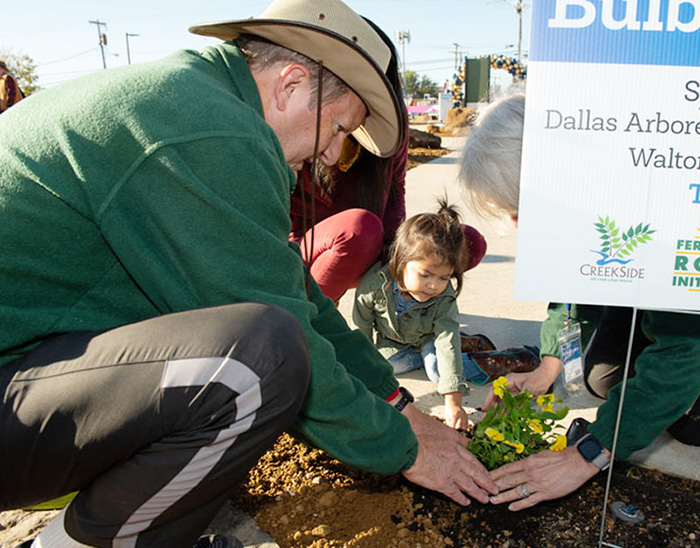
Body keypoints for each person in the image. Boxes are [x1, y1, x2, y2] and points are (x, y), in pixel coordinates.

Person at [0, 1, 497, 546]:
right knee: (259, 357)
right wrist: (406, 448)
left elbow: (296, 291)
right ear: (290, 84)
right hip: (14, 406)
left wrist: (394, 402)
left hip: (28, 382)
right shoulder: (208, 131)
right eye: (337, 129)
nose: (332, 155)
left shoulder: (196, 97)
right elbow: (284, 327)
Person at [458, 86, 700, 511]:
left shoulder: (669, 201)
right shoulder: (598, 188)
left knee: (687, 422)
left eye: (518, 209)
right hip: (668, 306)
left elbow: (685, 347)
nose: (514, 225)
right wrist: (547, 366)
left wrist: (589, 452)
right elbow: (581, 270)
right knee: (602, 378)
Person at [289, 19, 488, 302]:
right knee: (361, 229)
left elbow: (396, 188)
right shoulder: (306, 116)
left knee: (465, 242)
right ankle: (312, 313)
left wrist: (401, 252)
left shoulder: (393, 126)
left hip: (371, 239)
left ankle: (410, 311)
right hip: (312, 246)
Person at [353, 199, 537, 430]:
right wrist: (362, 367)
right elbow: (361, 328)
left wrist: (454, 402)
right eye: (426, 274)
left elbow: (445, 338)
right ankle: (467, 344)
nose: (433, 286)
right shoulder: (373, 285)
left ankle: (510, 359)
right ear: (401, 261)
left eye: (443, 278)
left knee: (438, 372)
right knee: (384, 366)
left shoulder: (443, 297)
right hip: (395, 341)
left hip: (432, 337)